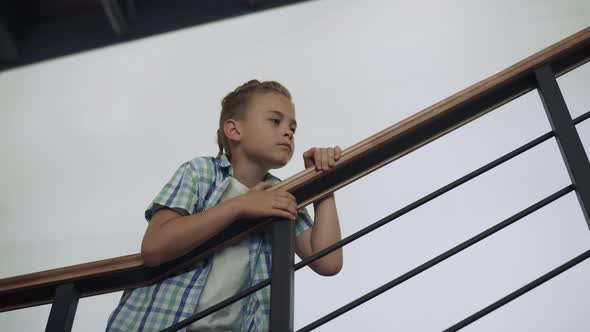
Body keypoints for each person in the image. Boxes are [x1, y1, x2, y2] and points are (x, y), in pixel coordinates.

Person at [105, 80, 343, 332]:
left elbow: (327, 261)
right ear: (234, 130)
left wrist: (323, 184)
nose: (288, 132)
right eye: (275, 121)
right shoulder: (200, 172)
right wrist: (239, 206)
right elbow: (155, 246)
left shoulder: (282, 195)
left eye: (292, 127)